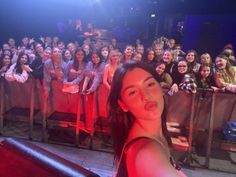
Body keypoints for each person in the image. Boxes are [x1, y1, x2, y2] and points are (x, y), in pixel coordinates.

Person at [108, 61, 186, 177]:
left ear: (160, 87)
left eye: (150, 84)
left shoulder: (154, 135)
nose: (146, 96)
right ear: (123, 104)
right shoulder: (146, 153)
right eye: (132, 92)